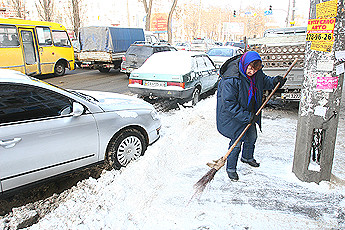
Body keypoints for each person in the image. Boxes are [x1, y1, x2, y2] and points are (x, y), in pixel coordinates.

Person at [216, 51, 286, 181]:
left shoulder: (256, 72)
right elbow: (229, 104)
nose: (252, 72)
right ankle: (231, 169)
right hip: (232, 116)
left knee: (252, 136)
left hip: (249, 112)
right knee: (236, 143)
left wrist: (275, 81)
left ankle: (247, 157)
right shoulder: (231, 79)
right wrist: (247, 116)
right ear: (245, 63)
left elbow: (264, 81)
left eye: (255, 70)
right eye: (250, 68)